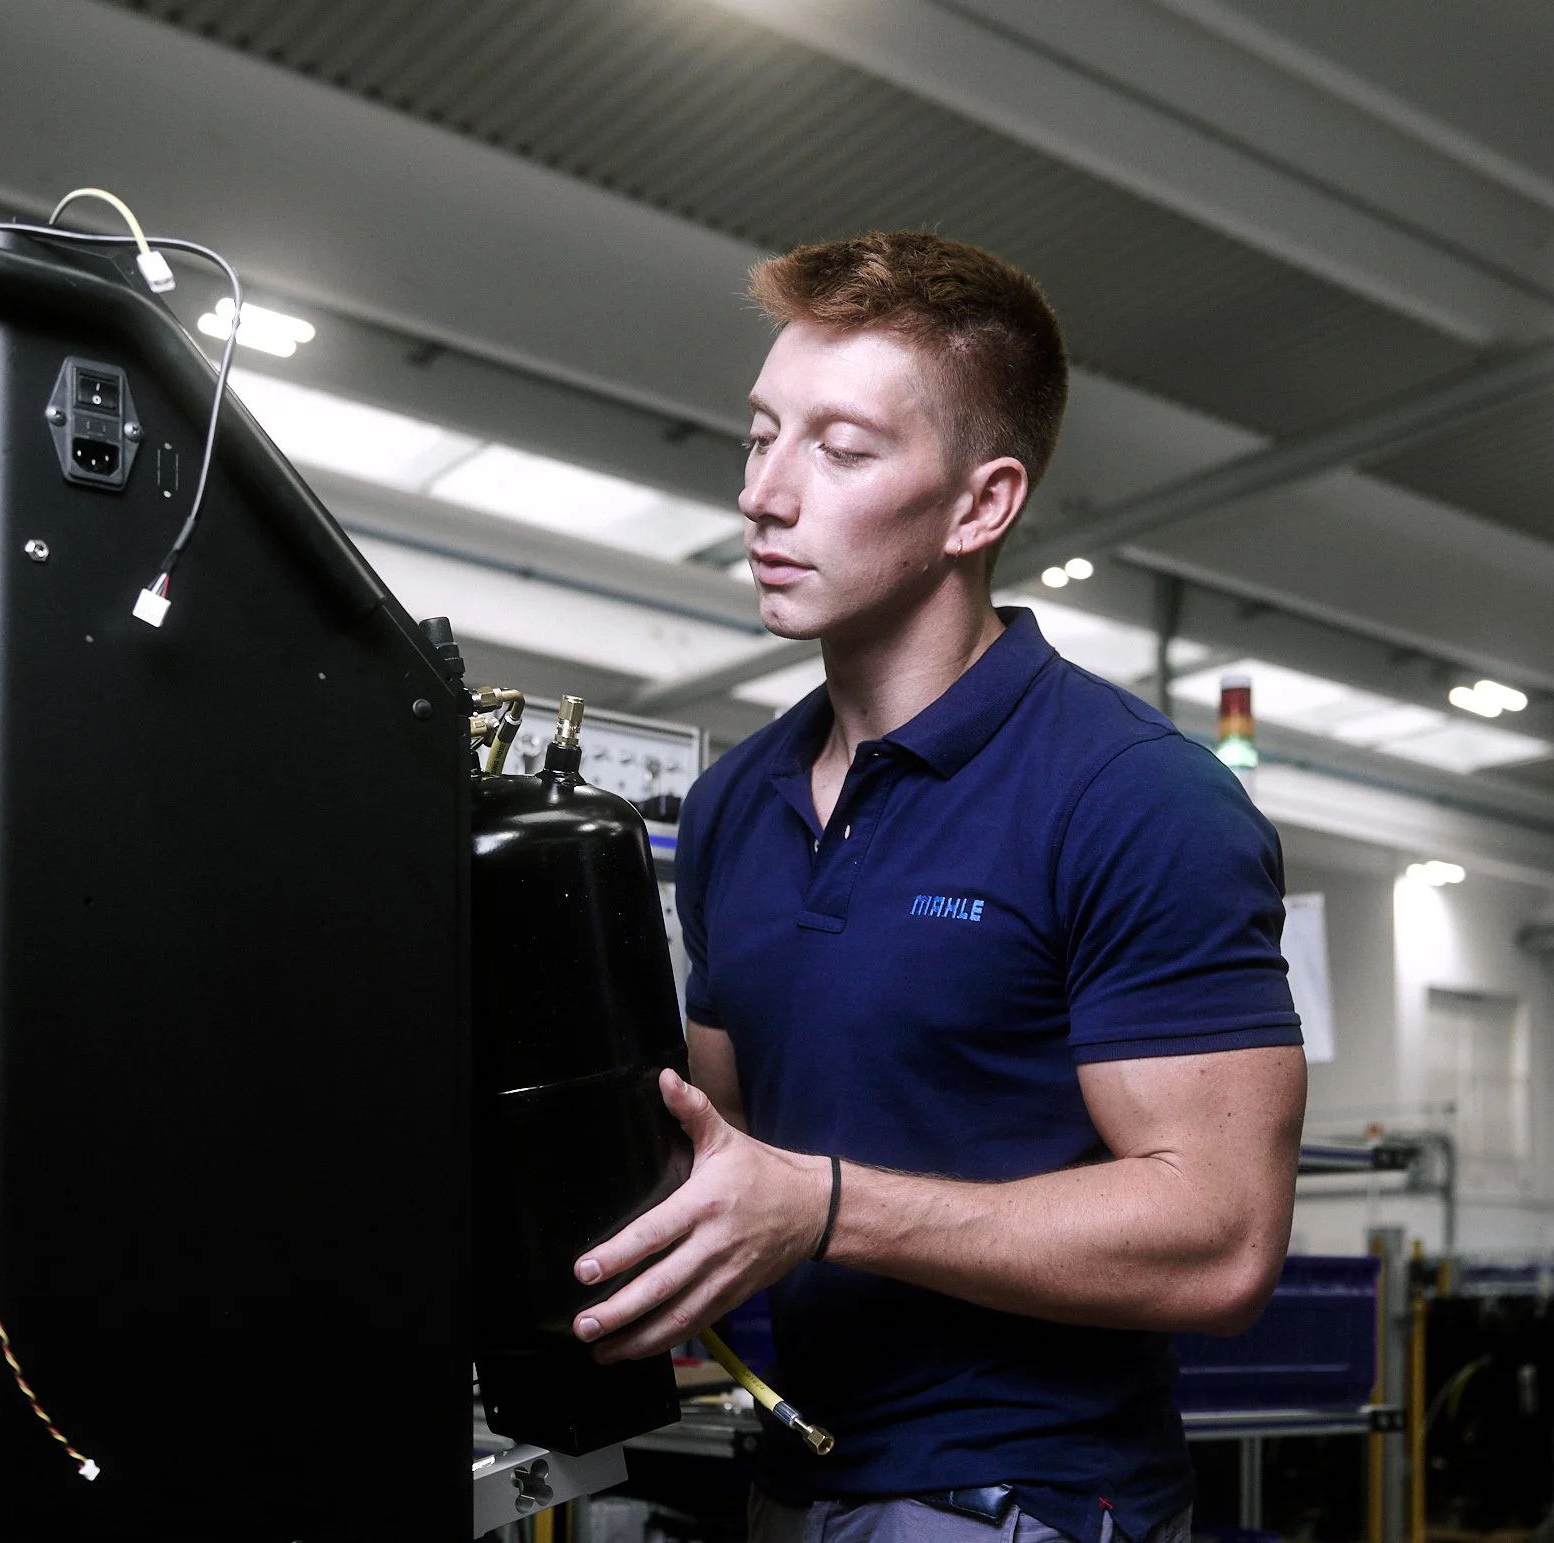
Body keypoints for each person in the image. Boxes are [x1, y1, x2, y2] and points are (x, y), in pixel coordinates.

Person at [566, 232, 1308, 1543]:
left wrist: (829, 1205)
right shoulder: (740, 803)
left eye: (841, 450)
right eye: (759, 436)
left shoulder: (1134, 797)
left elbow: (1222, 1233)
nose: (766, 494)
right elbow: (714, 1148)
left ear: (981, 505)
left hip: (1012, 1499)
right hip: (790, 1480)